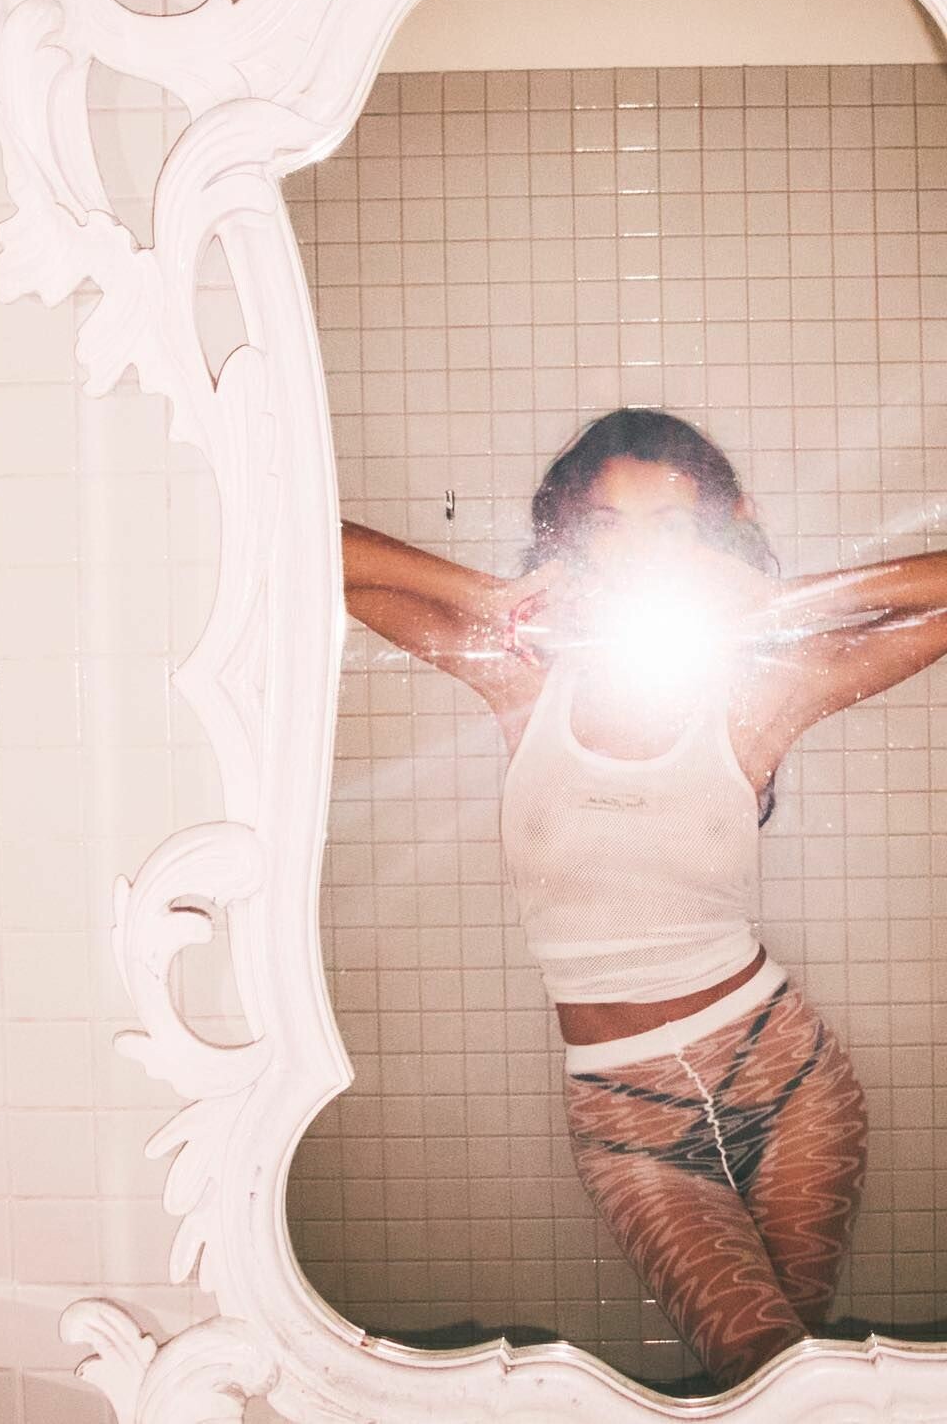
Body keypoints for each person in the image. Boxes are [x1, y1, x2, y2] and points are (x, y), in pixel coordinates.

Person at [340, 407, 947, 1389]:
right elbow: (319, 553)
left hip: (789, 1078)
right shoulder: (523, 680)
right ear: (572, 539)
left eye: (671, 527)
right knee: (763, 1370)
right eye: (608, 525)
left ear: (716, 537)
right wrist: (494, 597)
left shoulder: (758, 692)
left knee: (792, 1384)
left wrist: (779, 604)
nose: (638, 553)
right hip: (625, 1112)